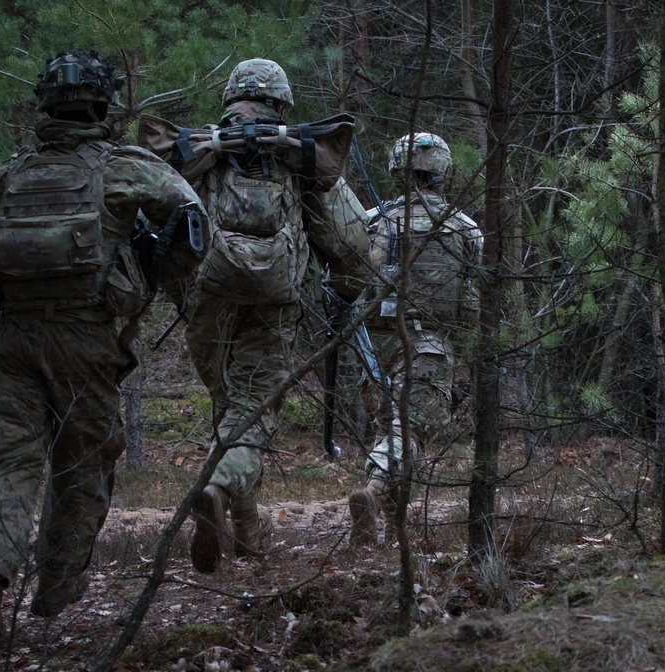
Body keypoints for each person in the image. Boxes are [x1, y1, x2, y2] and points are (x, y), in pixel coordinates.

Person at [0, 49, 209, 640]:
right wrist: (151, 274)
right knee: (83, 464)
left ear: (43, 105)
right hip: (87, 340)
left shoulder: (8, 174)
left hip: (14, 341)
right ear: (104, 105)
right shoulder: (126, 167)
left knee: (8, 464)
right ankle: (54, 594)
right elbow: (195, 226)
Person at [169, 58, 369, 572]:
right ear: (282, 102)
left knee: (230, 405)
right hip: (275, 300)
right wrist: (345, 287)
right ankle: (216, 485)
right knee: (252, 410)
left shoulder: (198, 152)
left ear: (231, 99)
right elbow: (348, 244)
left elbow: (159, 230)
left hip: (209, 298)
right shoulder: (300, 158)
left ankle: (247, 529)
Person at [348, 132, 483, 546]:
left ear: (395, 169)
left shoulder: (372, 221)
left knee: (389, 429)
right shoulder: (464, 229)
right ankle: (373, 493)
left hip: (374, 345)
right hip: (428, 343)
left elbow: (349, 281)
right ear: (443, 170)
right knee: (411, 432)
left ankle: (391, 528)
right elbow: (474, 301)